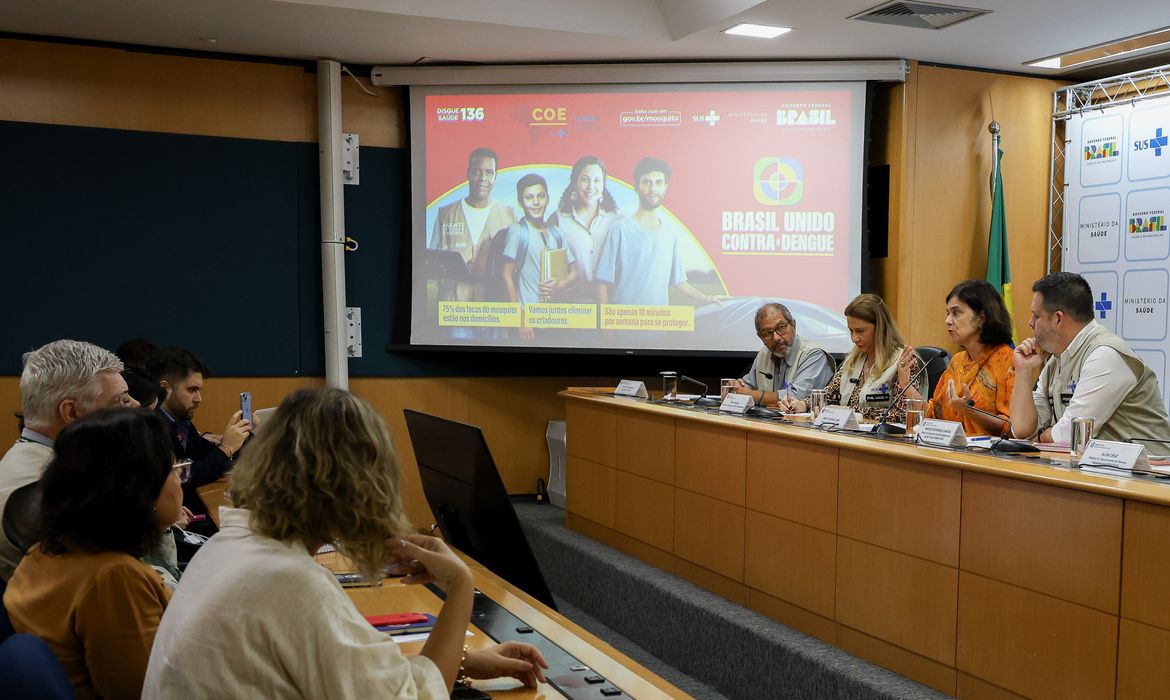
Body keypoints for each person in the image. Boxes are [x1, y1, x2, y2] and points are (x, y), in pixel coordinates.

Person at [144, 387, 548, 698]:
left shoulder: (230, 545)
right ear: (359, 485)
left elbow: (341, 666)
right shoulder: (290, 582)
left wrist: (460, 660)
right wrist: (460, 586)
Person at [3, 408, 181, 700]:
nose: (180, 481)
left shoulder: (46, 548)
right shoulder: (115, 578)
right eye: (175, 470)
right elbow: (146, 693)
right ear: (141, 490)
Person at [0, 339, 132, 580]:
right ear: (71, 412)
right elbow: (112, 584)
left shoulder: (57, 465)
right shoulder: (44, 496)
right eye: (120, 401)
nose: (133, 409)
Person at [1009, 272, 1170, 443]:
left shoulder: (1105, 355)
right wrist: (1023, 371)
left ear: (1057, 319)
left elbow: (1070, 436)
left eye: (1036, 315)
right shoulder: (1055, 360)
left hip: (1149, 468)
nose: (1030, 322)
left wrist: (1039, 436)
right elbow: (1023, 431)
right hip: (1095, 467)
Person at [595, 157, 721, 307]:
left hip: (659, 325)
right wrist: (606, 329)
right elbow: (602, 281)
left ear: (665, 187)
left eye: (658, 182)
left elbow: (679, 281)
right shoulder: (619, 229)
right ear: (636, 186)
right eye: (647, 182)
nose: (653, 188)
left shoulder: (670, 233)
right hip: (624, 323)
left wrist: (706, 298)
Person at [150, 346, 250, 523]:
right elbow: (184, 478)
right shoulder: (152, 429)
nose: (199, 399)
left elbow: (206, 458)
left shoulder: (182, 423)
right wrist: (226, 448)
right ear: (165, 389)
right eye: (192, 390)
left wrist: (242, 434)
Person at [912, 280, 1016, 436]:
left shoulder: (1007, 360)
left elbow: (1012, 428)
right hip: (950, 452)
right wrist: (906, 384)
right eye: (948, 314)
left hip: (988, 457)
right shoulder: (957, 361)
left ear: (982, 317)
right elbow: (933, 415)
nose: (947, 321)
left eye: (956, 313)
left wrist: (969, 411)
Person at [429, 147, 517, 305]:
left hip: (494, 312)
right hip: (455, 311)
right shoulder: (445, 214)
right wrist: (460, 270)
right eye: (477, 171)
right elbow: (433, 263)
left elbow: (516, 265)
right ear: (468, 173)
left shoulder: (509, 215)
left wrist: (485, 269)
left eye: (489, 172)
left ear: (495, 176)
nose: (483, 178)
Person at [822, 293, 926, 421]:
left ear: (880, 328)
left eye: (860, 331)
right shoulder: (853, 359)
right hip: (848, 437)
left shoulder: (905, 360)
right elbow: (828, 397)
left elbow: (903, 414)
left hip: (884, 439)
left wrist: (853, 413)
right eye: (851, 331)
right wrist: (802, 404)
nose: (854, 338)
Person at [502, 173, 580, 340]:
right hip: (529, 323)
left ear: (547, 198)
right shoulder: (517, 231)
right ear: (520, 201)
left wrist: (560, 285)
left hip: (555, 320)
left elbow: (575, 272)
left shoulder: (557, 233)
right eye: (529, 197)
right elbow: (506, 275)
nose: (536, 202)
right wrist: (521, 320)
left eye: (540, 196)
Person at [735, 302, 834, 409]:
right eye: (767, 333)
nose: (776, 338)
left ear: (793, 325)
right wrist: (738, 387)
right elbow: (748, 385)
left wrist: (751, 395)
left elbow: (797, 397)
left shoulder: (813, 354)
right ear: (761, 337)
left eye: (781, 327)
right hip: (768, 423)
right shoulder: (764, 353)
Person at [548, 155, 620, 297]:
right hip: (575, 305)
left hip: (610, 303)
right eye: (585, 179)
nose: (590, 186)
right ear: (575, 182)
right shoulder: (557, 220)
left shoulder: (616, 220)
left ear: (603, 185)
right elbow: (555, 274)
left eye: (597, 180)